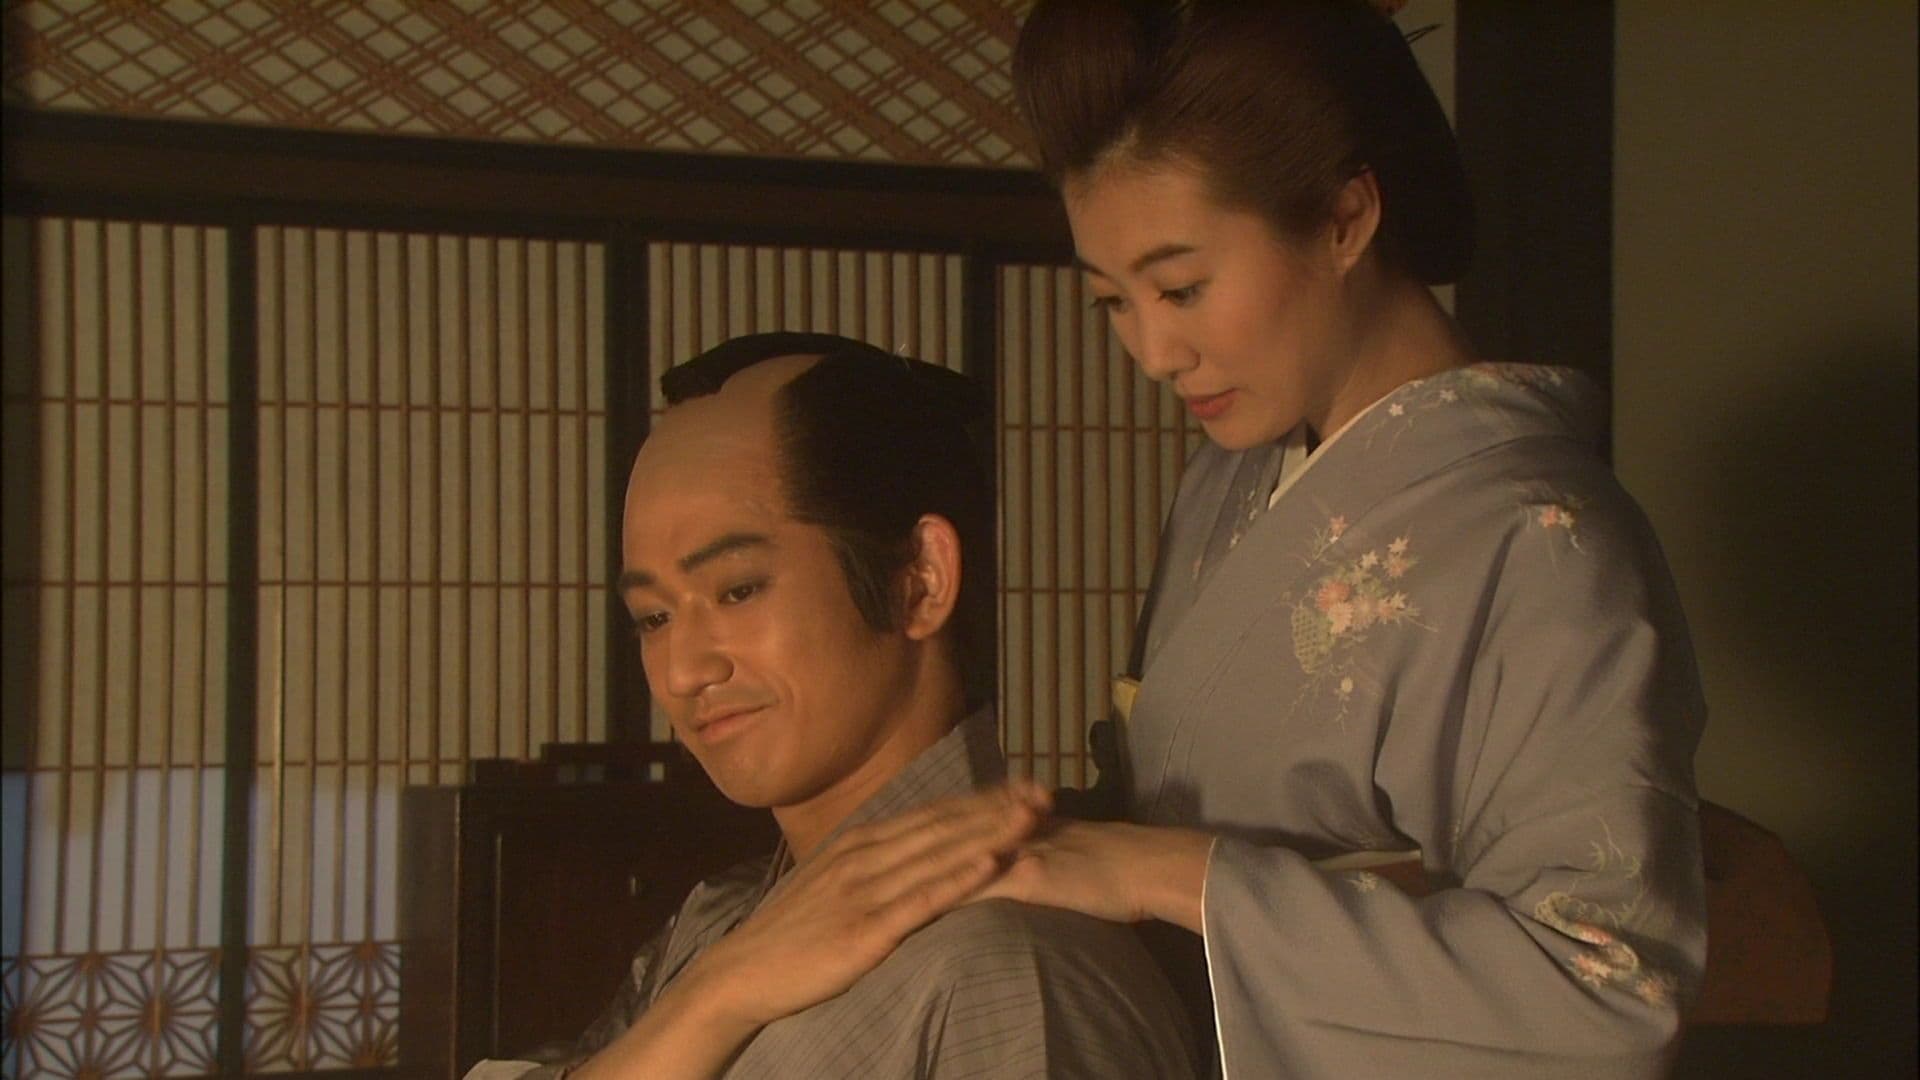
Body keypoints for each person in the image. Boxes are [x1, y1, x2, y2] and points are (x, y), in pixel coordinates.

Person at [959, 2, 1711, 1077]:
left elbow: (1602, 994)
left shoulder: (1545, 541)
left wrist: (1168, 875)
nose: (1154, 350)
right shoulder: (1229, 480)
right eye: (1111, 303)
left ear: (1345, 218)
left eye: (1181, 288)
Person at [467, 332, 1196, 1080]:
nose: (683, 671)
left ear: (920, 581)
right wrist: (717, 993)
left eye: (737, 590)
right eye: (653, 617)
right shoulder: (723, 920)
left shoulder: (1012, 972)